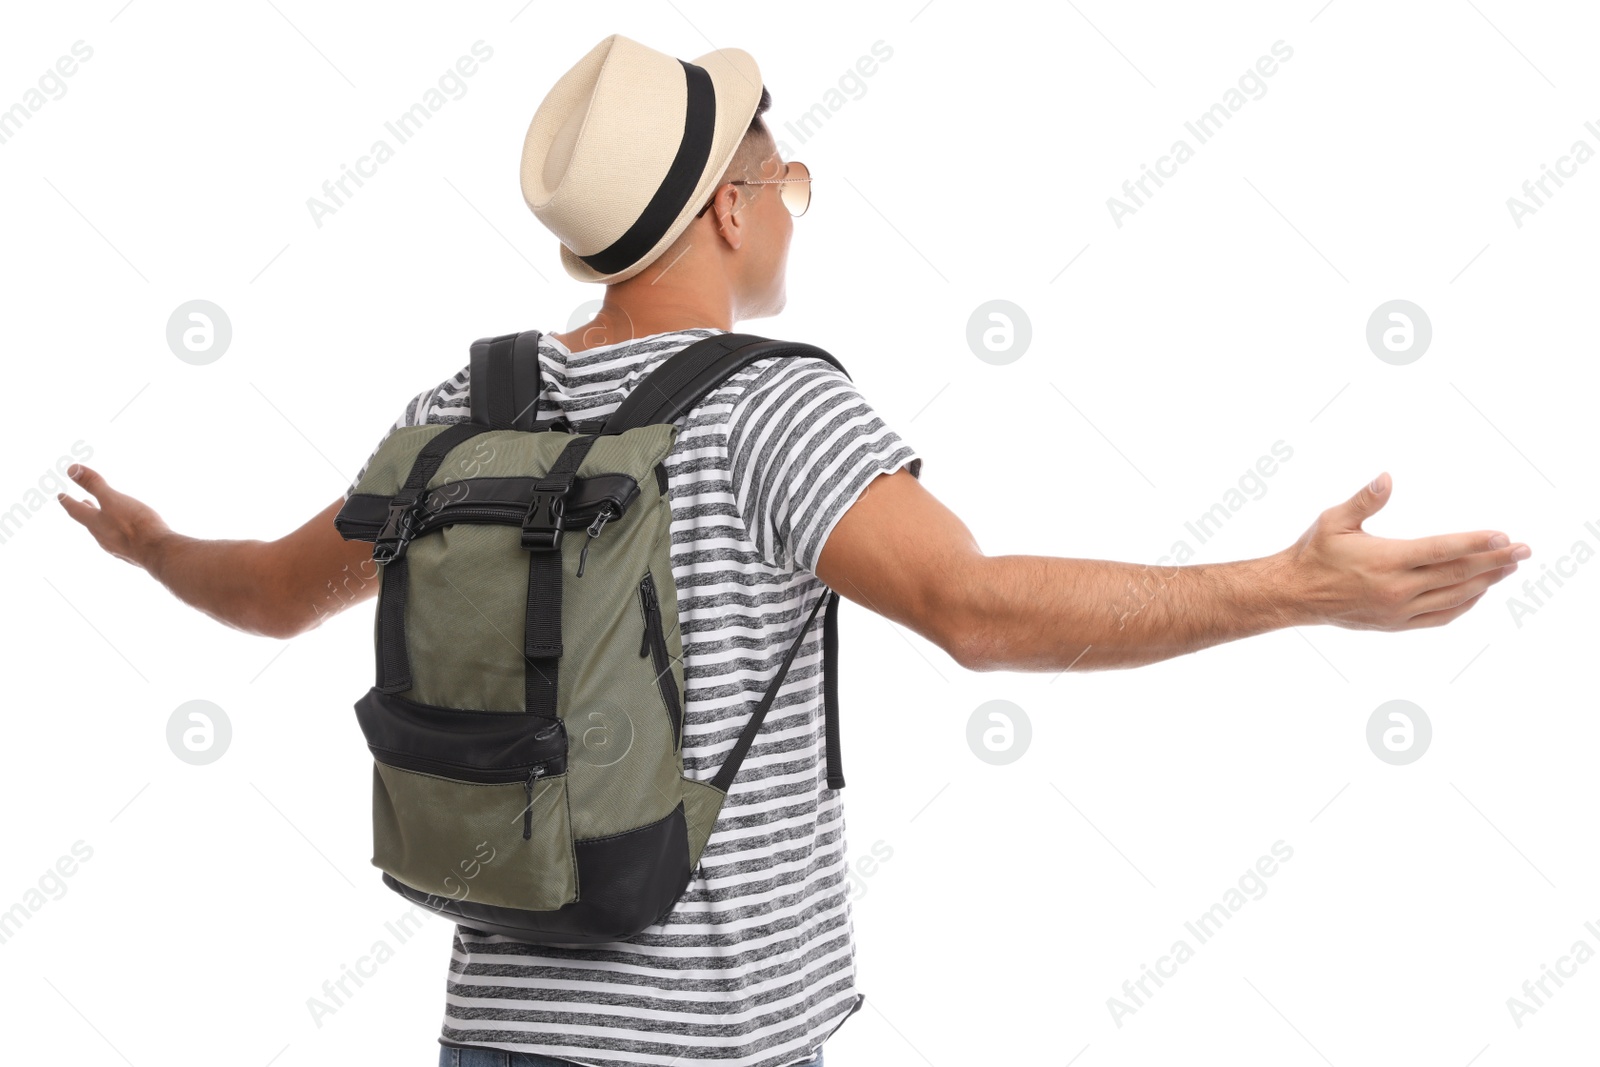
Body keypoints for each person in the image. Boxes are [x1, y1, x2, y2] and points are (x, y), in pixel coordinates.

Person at [55, 33, 1529, 1067]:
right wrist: (1290, 590)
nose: (793, 203)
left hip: (488, 1032)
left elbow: (263, 596)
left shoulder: (464, 406)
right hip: (715, 1045)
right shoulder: (773, 407)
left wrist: (151, 546)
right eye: (783, 177)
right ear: (725, 209)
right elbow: (979, 611)